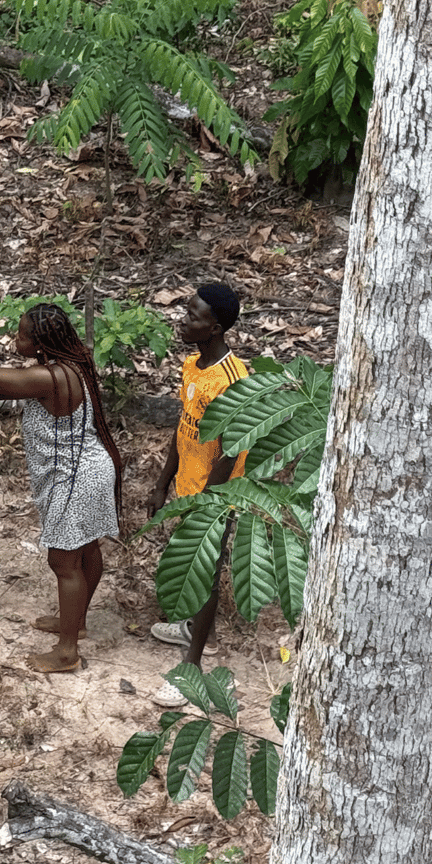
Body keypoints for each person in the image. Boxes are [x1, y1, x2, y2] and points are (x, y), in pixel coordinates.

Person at [0, 296, 123, 673]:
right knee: (85, 552)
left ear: (40, 345)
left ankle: (67, 653)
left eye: (20, 336)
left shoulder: (50, 377)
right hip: (87, 473)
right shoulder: (66, 367)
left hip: (77, 479)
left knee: (64, 562)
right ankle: (76, 622)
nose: (16, 341)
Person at [150, 285, 251, 682]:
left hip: (216, 495)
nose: (183, 319)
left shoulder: (233, 380)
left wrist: (208, 505)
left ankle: (192, 665)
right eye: (186, 311)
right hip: (189, 486)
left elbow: (230, 450)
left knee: (206, 569)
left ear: (215, 328)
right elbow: (184, 426)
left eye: (194, 316)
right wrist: (163, 482)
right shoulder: (193, 366)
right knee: (194, 566)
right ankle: (191, 626)